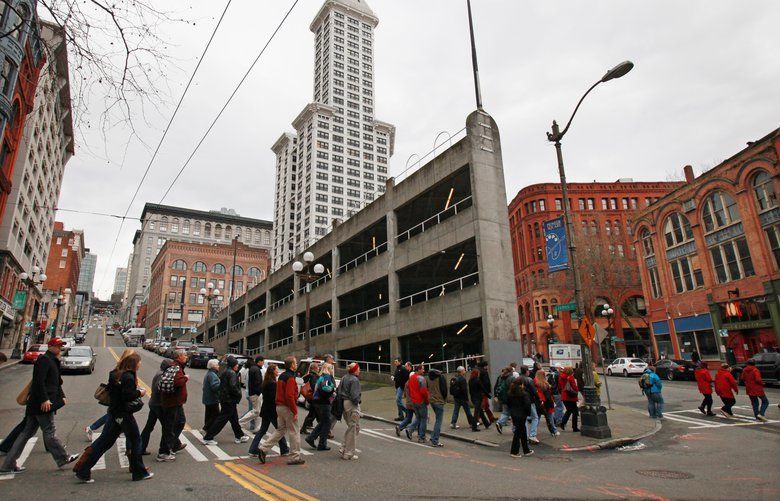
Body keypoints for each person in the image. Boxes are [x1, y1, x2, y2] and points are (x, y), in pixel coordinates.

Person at [1, 337, 78, 474]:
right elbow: (38, 382)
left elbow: (56, 382)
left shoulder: (52, 360)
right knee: (49, 431)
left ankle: (7, 465)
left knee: (26, 433)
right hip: (42, 404)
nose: (60, 348)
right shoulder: (45, 360)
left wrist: (62, 396)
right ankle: (63, 457)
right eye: (58, 346)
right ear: (50, 346)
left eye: (61, 346)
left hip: (39, 404)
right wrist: (44, 400)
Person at [74, 352, 152, 483]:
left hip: (114, 412)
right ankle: (139, 473)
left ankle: (83, 470)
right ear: (133, 364)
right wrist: (140, 392)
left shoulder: (115, 374)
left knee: (104, 442)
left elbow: (114, 391)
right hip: (124, 414)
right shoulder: (128, 377)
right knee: (136, 441)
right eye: (139, 362)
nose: (140, 364)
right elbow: (128, 395)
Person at [257, 356, 304, 465]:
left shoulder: (282, 376)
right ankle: (295, 457)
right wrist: (295, 411)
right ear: (292, 365)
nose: (296, 364)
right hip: (287, 407)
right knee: (294, 431)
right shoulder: (290, 378)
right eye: (295, 363)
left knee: (280, 430)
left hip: (279, 407)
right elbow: (289, 396)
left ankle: (264, 448)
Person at [84, 348, 134, 441]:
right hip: (118, 400)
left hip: (116, 399)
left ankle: (120, 431)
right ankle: (92, 428)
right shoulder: (123, 371)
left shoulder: (119, 368)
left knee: (114, 416)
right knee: (113, 416)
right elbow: (118, 385)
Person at [202, 356, 249, 445]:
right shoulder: (232, 373)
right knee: (222, 419)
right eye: (236, 364)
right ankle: (208, 437)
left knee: (234, 418)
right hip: (229, 400)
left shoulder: (225, 371)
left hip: (225, 399)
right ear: (233, 365)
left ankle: (239, 436)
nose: (237, 366)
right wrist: (238, 393)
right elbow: (233, 387)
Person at [248, 364, 288, 458]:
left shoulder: (266, 382)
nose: (278, 371)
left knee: (263, 430)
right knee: (279, 430)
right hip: (272, 410)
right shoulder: (272, 383)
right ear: (273, 371)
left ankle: (253, 450)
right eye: (277, 370)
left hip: (266, 409)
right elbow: (274, 398)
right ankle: (284, 449)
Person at [157, 349, 189, 462]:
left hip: (177, 403)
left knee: (180, 422)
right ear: (179, 357)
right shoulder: (176, 368)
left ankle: (172, 445)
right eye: (185, 355)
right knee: (169, 427)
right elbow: (177, 382)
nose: (186, 357)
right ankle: (163, 452)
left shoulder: (176, 367)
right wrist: (185, 378)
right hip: (172, 403)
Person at [141, 359, 174, 454]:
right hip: (158, 405)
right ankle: (172, 446)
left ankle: (141, 447)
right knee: (167, 427)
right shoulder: (161, 375)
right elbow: (159, 389)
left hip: (155, 404)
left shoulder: (160, 373)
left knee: (149, 427)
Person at [305, 363, 336, 451]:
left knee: (324, 422)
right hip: (324, 402)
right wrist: (333, 388)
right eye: (331, 369)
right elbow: (326, 388)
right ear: (328, 369)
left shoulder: (321, 377)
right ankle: (321, 444)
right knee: (327, 423)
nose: (332, 371)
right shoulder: (327, 377)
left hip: (318, 402)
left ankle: (311, 438)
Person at [339, 362, 362, 460]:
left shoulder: (344, 377)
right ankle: (348, 453)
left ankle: (344, 447)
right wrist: (358, 401)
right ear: (355, 370)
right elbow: (354, 396)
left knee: (352, 427)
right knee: (353, 427)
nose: (359, 370)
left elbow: (339, 390)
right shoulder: (354, 380)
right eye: (358, 368)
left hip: (344, 403)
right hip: (352, 404)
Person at [506, 378, 533, 458]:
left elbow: (508, 404)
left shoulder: (510, 393)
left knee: (522, 431)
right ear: (521, 385)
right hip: (522, 414)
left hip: (514, 414)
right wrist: (528, 413)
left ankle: (526, 450)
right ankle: (514, 451)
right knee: (518, 433)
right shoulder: (524, 394)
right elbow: (527, 405)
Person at [238, 355, 265, 432]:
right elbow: (257, 383)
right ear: (259, 362)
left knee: (257, 411)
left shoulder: (253, 369)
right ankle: (240, 422)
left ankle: (257, 428)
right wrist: (259, 392)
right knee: (256, 411)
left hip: (253, 393)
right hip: (255, 394)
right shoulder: (256, 369)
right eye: (263, 361)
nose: (263, 363)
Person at [406, 364, 429, 443]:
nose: (423, 371)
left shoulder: (411, 378)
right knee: (423, 419)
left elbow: (409, 389)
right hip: (421, 401)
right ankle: (422, 437)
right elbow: (424, 392)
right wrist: (427, 401)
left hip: (414, 401)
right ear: (418, 370)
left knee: (418, 418)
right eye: (422, 369)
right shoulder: (421, 379)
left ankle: (410, 429)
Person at [519, 366, 540, 444]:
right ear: (526, 371)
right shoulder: (529, 380)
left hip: (520, 401)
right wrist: (538, 398)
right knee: (535, 417)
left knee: (524, 418)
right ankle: (532, 435)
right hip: (529, 401)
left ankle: (525, 435)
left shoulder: (517, 379)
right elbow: (534, 391)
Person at [449, 366, 475, 431]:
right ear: (461, 371)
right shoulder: (462, 379)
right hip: (463, 398)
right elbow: (464, 390)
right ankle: (472, 423)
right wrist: (467, 399)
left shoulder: (454, 378)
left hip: (456, 397)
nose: (465, 371)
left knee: (456, 410)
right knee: (468, 411)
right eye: (464, 370)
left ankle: (453, 423)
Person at [534, 369, 559, 436]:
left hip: (538, 402)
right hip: (546, 402)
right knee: (550, 417)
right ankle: (554, 431)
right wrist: (552, 403)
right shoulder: (545, 384)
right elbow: (548, 396)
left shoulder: (535, 383)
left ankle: (533, 433)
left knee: (536, 419)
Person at [427, 368, 448, 447]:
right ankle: (435, 440)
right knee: (439, 421)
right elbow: (444, 390)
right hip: (439, 401)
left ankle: (433, 437)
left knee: (437, 420)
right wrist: (444, 399)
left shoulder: (428, 378)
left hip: (432, 401)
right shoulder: (440, 377)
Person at [201, 358, 222, 433]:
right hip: (212, 399)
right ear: (213, 366)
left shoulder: (209, 373)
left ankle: (207, 430)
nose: (219, 366)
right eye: (217, 365)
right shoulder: (213, 375)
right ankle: (205, 429)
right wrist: (222, 384)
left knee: (209, 415)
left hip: (208, 398)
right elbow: (215, 387)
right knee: (216, 415)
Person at [300, 362, 320, 435]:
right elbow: (314, 386)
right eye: (317, 367)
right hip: (314, 398)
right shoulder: (313, 376)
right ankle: (323, 431)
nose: (318, 369)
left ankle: (303, 428)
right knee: (315, 415)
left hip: (312, 398)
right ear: (314, 369)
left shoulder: (309, 375)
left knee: (312, 414)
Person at [558, 366, 580, 432]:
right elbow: (574, 387)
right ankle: (574, 427)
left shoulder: (561, 377)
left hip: (564, 396)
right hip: (570, 396)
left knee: (569, 410)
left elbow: (559, 386)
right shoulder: (570, 377)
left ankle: (563, 423)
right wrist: (576, 391)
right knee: (575, 412)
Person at [493, 367, 514, 434]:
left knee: (505, 412)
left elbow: (496, 387)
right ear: (510, 371)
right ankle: (514, 429)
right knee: (514, 413)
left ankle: (500, 423)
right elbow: (513, 388)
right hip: (510, 398)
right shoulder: (511, 378)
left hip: (503, 398)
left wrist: (496, 396)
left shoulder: (501, 377)